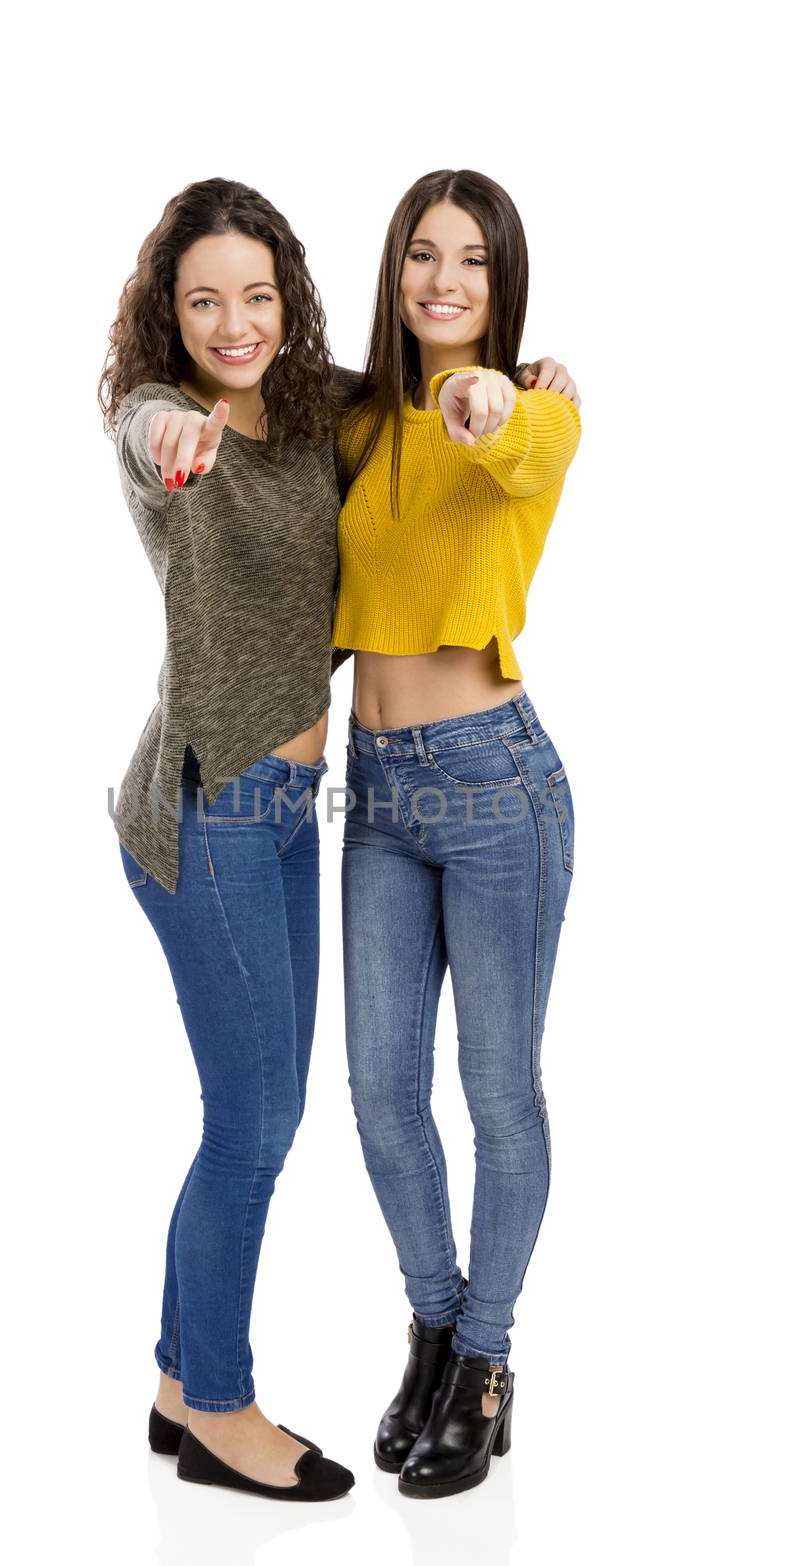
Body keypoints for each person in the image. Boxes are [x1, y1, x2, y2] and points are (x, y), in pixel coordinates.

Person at [98, 176, 357, 1501]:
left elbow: (430, 406)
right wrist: (172, 441)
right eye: (205, 301)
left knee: (252, 1113)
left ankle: (172, 1376)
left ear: (285, 299)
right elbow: (148, 433)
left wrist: (528, 378)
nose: (235, 322)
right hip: (203, 808)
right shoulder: (165, 422)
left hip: (292, 814)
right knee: (254, 1126)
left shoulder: (319, 412)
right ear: (171, 313)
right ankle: (222, 1409)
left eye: (255, 295)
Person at [333, 168, 583, 1498]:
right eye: (423, 256)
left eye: (471, 262)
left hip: (498, 792)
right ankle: (436, 1328)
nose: (442, 281)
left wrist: (495, 397)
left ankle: (486, 1360)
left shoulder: (536, 410)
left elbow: (508, 437)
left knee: (496, 1091)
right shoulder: (356, 424)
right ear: (396, 272)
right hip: (376, 794)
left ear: (503, 284)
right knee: (379, 1093)